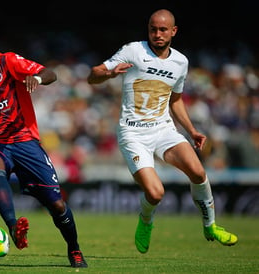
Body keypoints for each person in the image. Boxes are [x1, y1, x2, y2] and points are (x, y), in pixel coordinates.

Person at [87, 9, 237, 253]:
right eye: (153, 29)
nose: (157, 34)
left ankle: (210, 225)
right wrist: (108, 74)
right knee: (156, 194)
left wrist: (191, 131)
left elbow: (175, 100)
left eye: (163, 29)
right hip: (133, 134)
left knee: (198, 172)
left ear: (173, 31)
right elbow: (92, 76)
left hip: (163, 129)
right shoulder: (133, 50)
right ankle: (145, 221)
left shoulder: (180, 62)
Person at [0, 19, 87, 268]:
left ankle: (74, 249)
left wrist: (36, 78)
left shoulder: (6, 62)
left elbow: (51, 73)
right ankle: (13, 227)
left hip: (24, 140)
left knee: (57, 204)